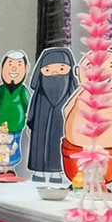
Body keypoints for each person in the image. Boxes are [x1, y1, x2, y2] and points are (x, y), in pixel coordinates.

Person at [61, 49, 112, 186]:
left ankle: (101, 186)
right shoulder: (82, 93)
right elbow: (67, 111)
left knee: (102, 174)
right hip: (76, 149)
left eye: (111, 66)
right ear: (78, 71)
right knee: (81, 175)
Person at [26, 47, 76, 183]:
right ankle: (39, 172)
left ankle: (56, 174)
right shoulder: (40, 93)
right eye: (48, 70)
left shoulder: (70, 93)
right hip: (40, 126)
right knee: (39, 147)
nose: (54, 73)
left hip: (61, 126)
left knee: (57, 146)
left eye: (61, 69)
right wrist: (30, 123)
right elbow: (33, 107)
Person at [0, 50, 29, 175]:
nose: (14, 69)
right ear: (2, 69)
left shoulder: (23, 91)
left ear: (26, 69)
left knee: (13, 146)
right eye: (10, 64)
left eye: (19, 65)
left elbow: (27, 104)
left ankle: (10, 168)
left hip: (16, 126)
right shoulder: (0, 90)